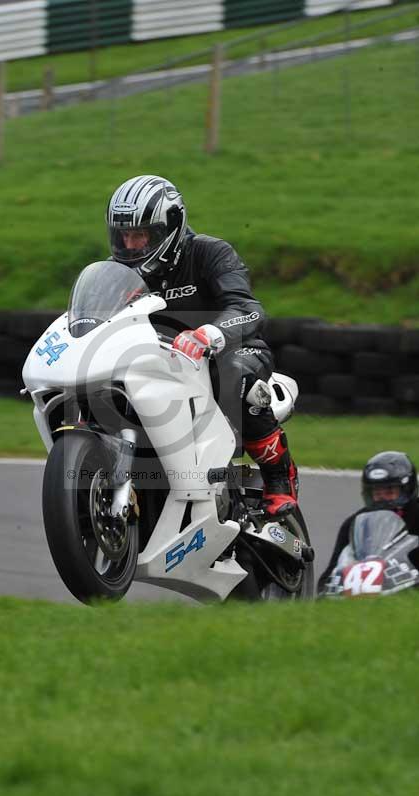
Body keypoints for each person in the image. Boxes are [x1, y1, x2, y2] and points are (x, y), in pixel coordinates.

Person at [106, 174, 298, 516]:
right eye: (125, 235)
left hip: (232, 351)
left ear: (170, 228)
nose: (132, 245)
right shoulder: (115, 273)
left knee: (231, 372)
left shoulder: (210, 252)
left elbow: (248, 309)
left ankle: (279, 478)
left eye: (141, 235)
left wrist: (208, 334)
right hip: (159, 365)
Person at [317, 451, 419, 593]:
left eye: (390, 491)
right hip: (365, 589)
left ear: (407, 490)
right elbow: (328, 577)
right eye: (377, 493)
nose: (382, 499)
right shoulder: (354, 523)